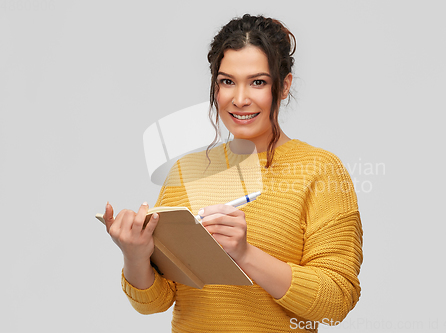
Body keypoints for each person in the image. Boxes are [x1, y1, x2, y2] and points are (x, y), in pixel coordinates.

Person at [103, 14, 363, 333]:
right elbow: (156, 301)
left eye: (258, 82)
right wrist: (135, 255)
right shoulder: (187, 172)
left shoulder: (320, 171)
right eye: (227, 81)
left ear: (284, 86)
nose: (240, 99)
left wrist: (244, 253)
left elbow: (335, 303)